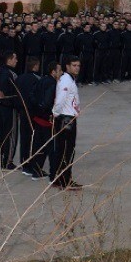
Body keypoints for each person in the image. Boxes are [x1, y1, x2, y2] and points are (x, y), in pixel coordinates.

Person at [50, 56, 82, 190]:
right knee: (67, 150)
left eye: (78, 65)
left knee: (63, 149)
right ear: (67, 67)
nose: (77, 68)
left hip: (67, 118)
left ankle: (58, 178)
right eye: (74, 65)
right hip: (66, 119)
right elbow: (60, 100)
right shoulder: (66, 81)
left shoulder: (69, 80)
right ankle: (64, 180)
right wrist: (56, 114)